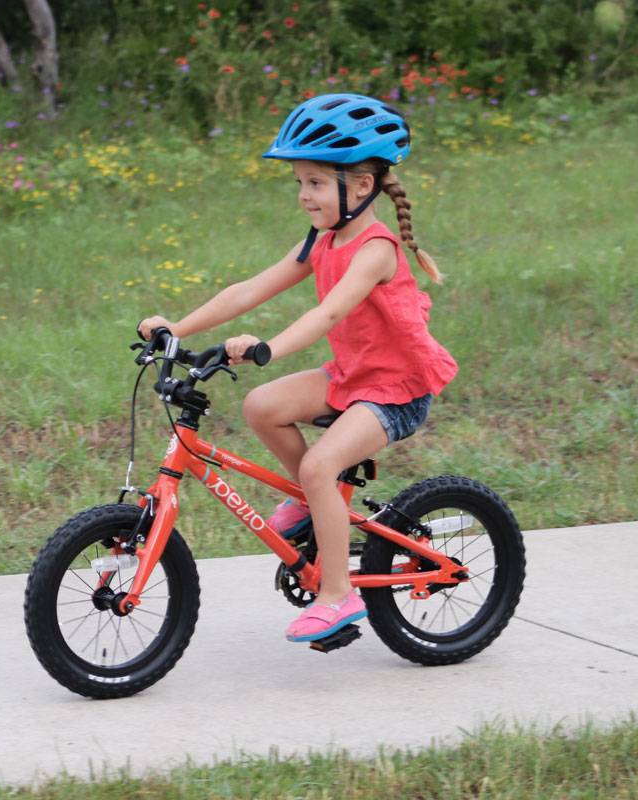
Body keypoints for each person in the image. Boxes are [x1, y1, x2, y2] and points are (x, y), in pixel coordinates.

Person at [138, 93, 457, 644]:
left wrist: (267, 348)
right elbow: (250, 289)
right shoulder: (322, 238)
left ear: (360, 186)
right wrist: (177, 329)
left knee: (318, 468)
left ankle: (338, 595)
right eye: (300, 184)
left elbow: (329, 311)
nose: (304, 196)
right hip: (352, 375)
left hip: (396, 391)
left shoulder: (376, 250)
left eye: (314, 183)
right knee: (262, 406)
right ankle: (315, 505)